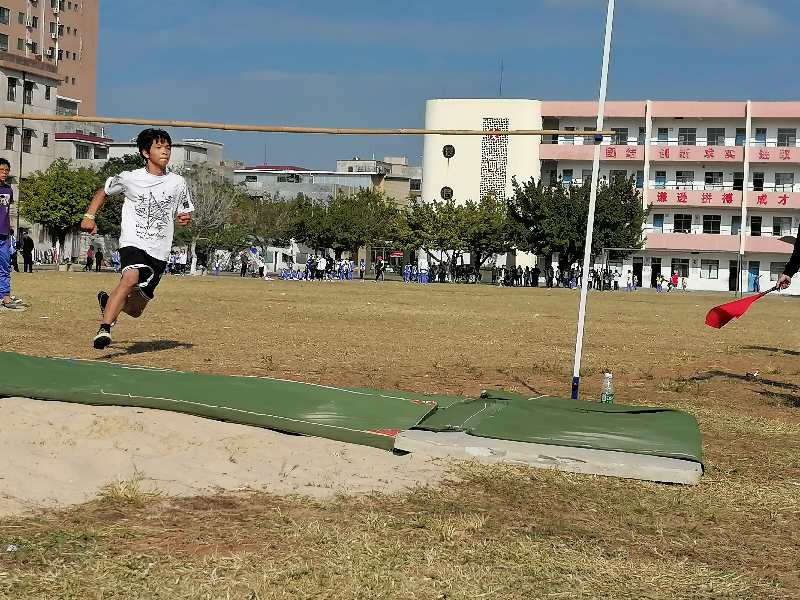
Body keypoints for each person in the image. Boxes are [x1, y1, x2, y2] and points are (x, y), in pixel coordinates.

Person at [80, 128, 194, 349]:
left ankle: (111, 303)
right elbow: (103, 191)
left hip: (160, 249)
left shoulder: (178, 182)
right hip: (134, 242)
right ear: (145, 152)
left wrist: (184, 218)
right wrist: (89, 216)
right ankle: (104, 328)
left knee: (135, 310)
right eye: (159, 148)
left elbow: (183, 211)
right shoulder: (130, 178)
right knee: (129, 278)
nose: (165, 152)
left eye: (168, 148)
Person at [0, 157, 24, 310]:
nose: (4, 173)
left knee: (4, 265)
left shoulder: (8, 190)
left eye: (6, 171)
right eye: (1, 170)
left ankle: (6, 297)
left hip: (3, 234)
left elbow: (8, 212)